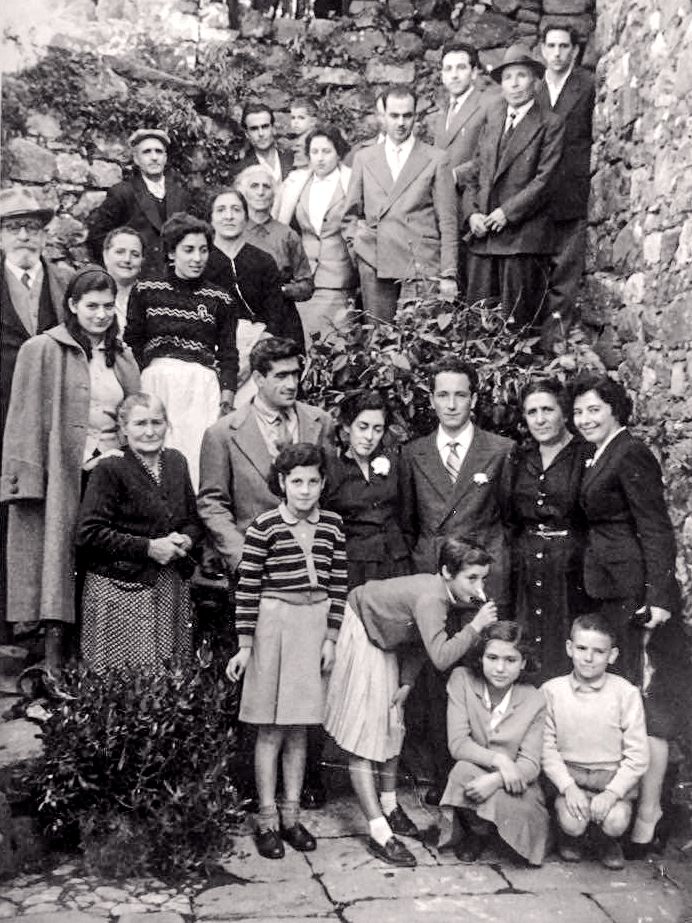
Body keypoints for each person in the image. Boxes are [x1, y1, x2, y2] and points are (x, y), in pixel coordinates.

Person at [197, 337, 334, 808]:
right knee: (259, 685)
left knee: (306, 682)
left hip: (308, 576)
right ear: (257, 378)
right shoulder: (224, 433)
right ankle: (256, 792)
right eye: (281, 376)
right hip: (257, 577)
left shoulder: (318, 422)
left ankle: (305, 783)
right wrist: (244, 556)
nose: (292, 383)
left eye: (296, 374)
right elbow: (212, 502)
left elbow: (327, 492)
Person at [572, 374, 692, 858]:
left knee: (649, 707)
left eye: (594, 409)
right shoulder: (599, 453)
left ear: (615, 410)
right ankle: (627, 812)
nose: (585, 419)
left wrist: (659, 597)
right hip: (611, 590)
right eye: (579, 411)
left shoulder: (631, 452)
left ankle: (649, 814)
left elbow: (656, 528)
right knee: (627, 701)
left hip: (637, 597)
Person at [324, 537, 498, 867]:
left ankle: (389, 806)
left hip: (383, 636)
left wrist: (406, 681)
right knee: (363, 735)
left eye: (483, 578)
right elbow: (441, 657)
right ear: (446, 572)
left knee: (393, 723)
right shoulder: (433, 598)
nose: (479, 588)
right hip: (362, 626)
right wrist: (476, 627)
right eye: (472, 578)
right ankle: (378, 831)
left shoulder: (444, 595)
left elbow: (418, 639)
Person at [0, 267, 140, 670]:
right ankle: (53, 666)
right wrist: (24, 479)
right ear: (73, 306)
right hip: (64, 474)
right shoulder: (43, 349)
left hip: (110, 476)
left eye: (108, 307)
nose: (100, 315)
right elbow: (23, 418)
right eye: (91, 306)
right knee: (58, 564)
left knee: (103, 563)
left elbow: (133, 414)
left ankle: (101, 663)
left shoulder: (122, 356)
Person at [399, 356, 514, 801]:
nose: (451, 404)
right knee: (436, 674)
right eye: (442, 395)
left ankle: (479, 771)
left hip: (481, 579)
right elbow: (410, 522)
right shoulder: (413, 453)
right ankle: (439, 773)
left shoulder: (499, 450)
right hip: (436, 579)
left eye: (460, 395)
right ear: (430, 400)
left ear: (474, 399)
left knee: (480, 671)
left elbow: (507, 519)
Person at [226, 443, 348, 859]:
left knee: (300, 728)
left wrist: (330, 638)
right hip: (273, 628)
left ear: (323, 483)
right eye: (297, 481)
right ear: (282, 482)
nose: (305, 490)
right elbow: (248, 588)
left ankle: (291, 817)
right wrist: (245, 646)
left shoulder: (332, 526)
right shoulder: (264, 526)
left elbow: (338, 584)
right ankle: (266, 819)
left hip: (313, 628)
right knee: (270, 728)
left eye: (313, 481)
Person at [76, 392, 202, 671]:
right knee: (124, 682)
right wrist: (148, 548)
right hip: (120, 589)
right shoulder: (111, 467)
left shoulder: (176, 462)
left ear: (167, 424)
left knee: (168, 679)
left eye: (157, 422)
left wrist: (186, 539)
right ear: (123, 428)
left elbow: (192, 520)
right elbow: (89, 533)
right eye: (140, 423)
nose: (150, 431)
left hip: (169, 587)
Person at [125, 212, 238, 491]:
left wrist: (226, 396)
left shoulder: (220, 299)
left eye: (203, 250)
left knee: (197, 458)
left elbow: (228, 353)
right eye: (188, 250)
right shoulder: (145, 290)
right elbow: (133, 344)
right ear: (171, 253)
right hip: (156, 385)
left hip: (200, 388)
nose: (197, 258)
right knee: (154, 454)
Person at [0, 187, 71, 629]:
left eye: (32, 227)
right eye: (13, 227)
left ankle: (42, 626)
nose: (24, 236)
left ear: (44, 235)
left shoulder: (65, 284)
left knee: (46, 514)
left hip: (51, 417)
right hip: (1, 413)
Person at [464, 45, 564, 334]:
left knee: (516, 327)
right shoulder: (493, 120)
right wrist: (471, 214)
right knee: (478, 325)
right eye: (508, 77)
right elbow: (475, 173)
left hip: (521, 241)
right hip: (484, 239)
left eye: (522, 76)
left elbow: (546, 180)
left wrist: (507, 212)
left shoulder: (550, 124)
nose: (515, 84)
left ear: (535, 81)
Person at [342, 85, 459, 321]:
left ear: (416, 116)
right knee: (378, 336)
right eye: (394, 115)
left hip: (421, 263)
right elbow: (349, 216)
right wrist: (360, 250)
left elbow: (447, 220)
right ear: (382, 116)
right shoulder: (364, 158)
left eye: (407, 115)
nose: (401, 123)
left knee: (421, 338)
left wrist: (448, 273)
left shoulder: (436, 158)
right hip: (376, 262)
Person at [542, 614, 649, 869]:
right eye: (581, 648)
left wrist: (613, 793)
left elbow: (638, 754)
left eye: (598, 651)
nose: (588, 658)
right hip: (570, 776)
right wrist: (567, 787)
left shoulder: (626, 693)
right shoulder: (551, 691)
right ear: (569, 648)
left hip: (610, 777)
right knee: (573, 822)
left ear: (612, 655)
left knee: (616, 820)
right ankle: (571, 836)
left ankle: (605, 840)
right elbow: (546, 748)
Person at [439, 621, 549, 866]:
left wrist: (497, 779)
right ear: (481, 657)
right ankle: (478, 832)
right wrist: (500, 761)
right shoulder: (462, 679)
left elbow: (530, 764)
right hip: (477, 773)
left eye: (510, 660)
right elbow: (458, 743)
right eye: (492, 658)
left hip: (514, 783)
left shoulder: (534, 699)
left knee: (526, 827)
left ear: (523, 662)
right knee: (462, 772)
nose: (500, 668)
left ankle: (504, 835)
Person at [509, 379, 589, 681]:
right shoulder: (521, 458)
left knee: (565, 638)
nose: (540, 419)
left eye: (547, 410)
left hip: (570, 566)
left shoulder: (585, 453)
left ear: (564, 412)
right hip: (527, 565)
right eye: (532, 412)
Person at [537, 26, 595, 343]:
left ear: (574, 50)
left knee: (565, 274)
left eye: (563, 46)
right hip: (535, 194)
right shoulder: (534, 89)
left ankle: (555, 345)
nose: (557, 53)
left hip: (570, 192)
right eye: (551, 46)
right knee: (534, 271)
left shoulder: (586, 85)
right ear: (542, 49)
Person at [275, 125, 357, 347]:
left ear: (338, 152)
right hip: (305, 279)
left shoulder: (351, 182)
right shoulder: (296, 183)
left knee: (337, 345)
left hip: (339, 279)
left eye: (326, 151)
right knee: (305, 344)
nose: (320, 158)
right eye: (314, 152)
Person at [204, 188, 284, 405]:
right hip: (212, 350)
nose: (229, 216)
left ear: (246, 217)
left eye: (236, 210)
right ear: (211, 218)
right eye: (221, 210)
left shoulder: (263, 261)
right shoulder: (201, 262)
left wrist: (252, 360)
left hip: (258, 347)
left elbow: (276, 318)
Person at [322, 390, 409, 590]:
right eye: (362, 427)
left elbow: (407, 517)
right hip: (353, 568)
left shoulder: (395, 463)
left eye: (377, 429)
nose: (369, 437)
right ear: (347, 426)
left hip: (396, 564)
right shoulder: (332, 469)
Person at [87, 128, 191, 277]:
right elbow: (98, 237)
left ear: (165, 157)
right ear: (136, 159)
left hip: (173, 280)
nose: (154, 157)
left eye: (159, 152)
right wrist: (119, 270)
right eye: (147, 152)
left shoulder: (181, 195)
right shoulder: (122, 193)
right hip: (135, 280)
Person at [434, 42, 491, 293]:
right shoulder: (442, 113)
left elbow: (489, 156)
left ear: (474, 72)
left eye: (461, 68)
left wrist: (454, 175)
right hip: (445, 210)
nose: (454, 75)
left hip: (471, 203)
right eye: (448, 69)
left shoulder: (487, 104)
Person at [236, 165, 312, 349]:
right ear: (243, 193)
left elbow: (306, 286)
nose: (261, 192)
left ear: (274, 193)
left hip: (283, 321)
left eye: (266, 186)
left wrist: (281, 290)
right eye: (254, 186)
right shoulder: (234, 234)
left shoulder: (287, 235)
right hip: (243, 322)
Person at [234, 102, 294, 184]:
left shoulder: (292, 158)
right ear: (247, 134)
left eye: (265, 126)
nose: (261, 133)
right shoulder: (241, 170)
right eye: (254, 129)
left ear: (273, 128)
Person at [102, 226, 144, 336]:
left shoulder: (152, 299)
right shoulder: (89, 295)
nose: (127, 259)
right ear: (105, 256)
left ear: (142, 261)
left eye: (135, 254)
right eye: (120, 252)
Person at [288, 98, 318, 169]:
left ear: (313, 121)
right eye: (293, 118)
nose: (296, 122)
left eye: (301, 118)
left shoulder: (314, 140)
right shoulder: (300, 139)